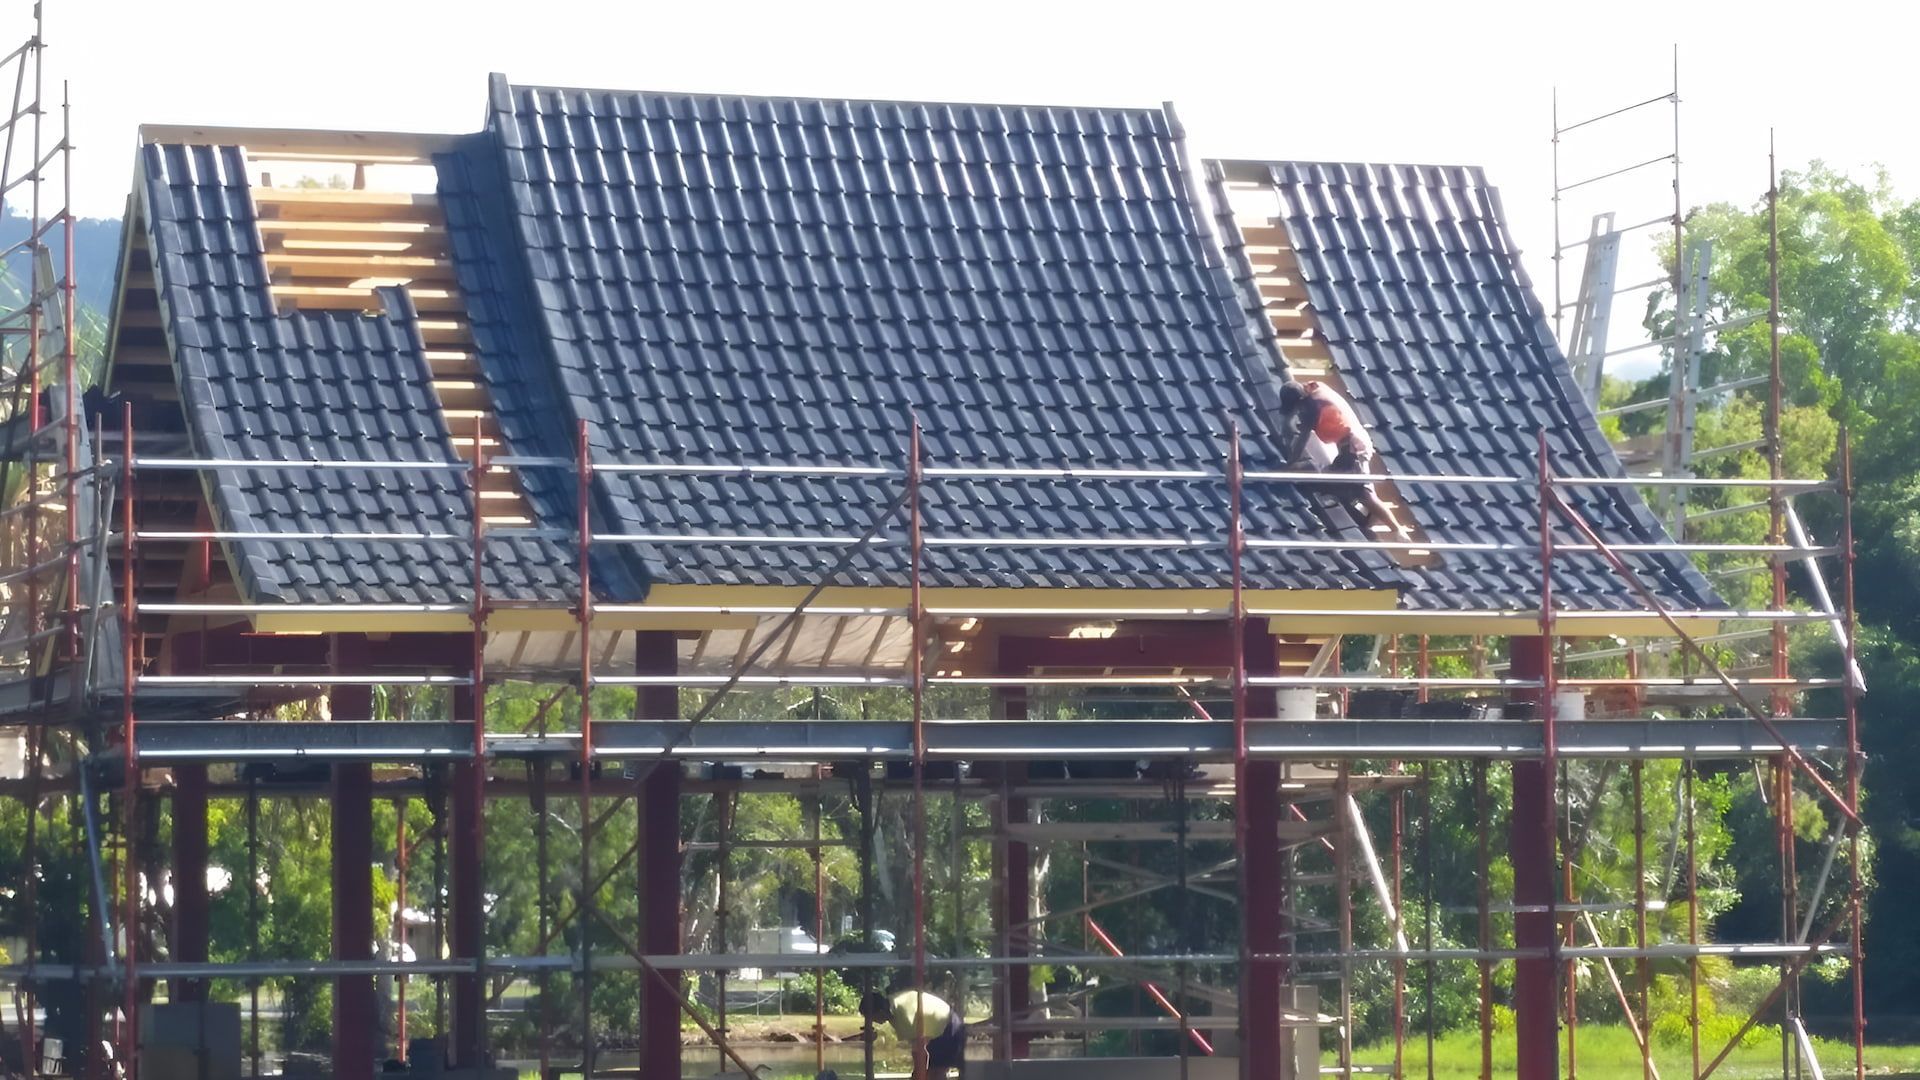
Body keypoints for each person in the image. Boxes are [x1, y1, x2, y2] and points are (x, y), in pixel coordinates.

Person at [1278, 378, 1406, 535]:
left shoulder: (1312, 405)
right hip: (1347, 446)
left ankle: (1398, 530)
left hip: (1355, 446)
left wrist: (1290, 463)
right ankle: (1369, 517)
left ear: (1300, 401)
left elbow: (1303, 437)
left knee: (1363, 491)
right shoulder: (1314, 389)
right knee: (1338, 485)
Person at [861, 988, 967, 1078]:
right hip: (936, 1028)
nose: (872, 1021)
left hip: (947, 1027)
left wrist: (917, 1076)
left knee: (935, 1073)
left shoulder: (904, 1018)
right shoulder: (893, 1004)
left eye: (871, 1017)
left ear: (880, 1012)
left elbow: (921, 1054)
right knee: (931, 1072)